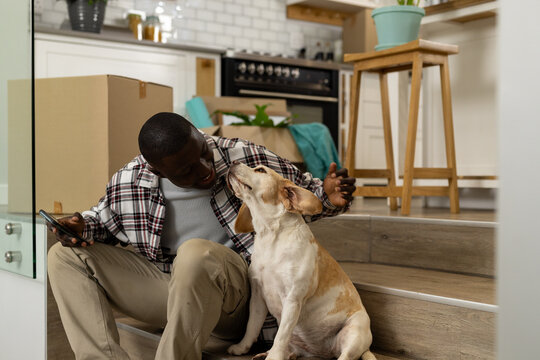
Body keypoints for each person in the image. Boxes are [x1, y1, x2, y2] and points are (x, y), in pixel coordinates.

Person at [47, 112, 356, 360]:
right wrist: (78, 227)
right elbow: (100, 221)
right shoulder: (129, 182)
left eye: (204, 153)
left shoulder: (243, 155)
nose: (206, 169)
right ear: (157, 170)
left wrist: (330, 195)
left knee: (195, 252)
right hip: (172, 293)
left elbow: (305, 193)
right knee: (63, 256)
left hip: (236, 300)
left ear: (199, 135)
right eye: (187, 170)